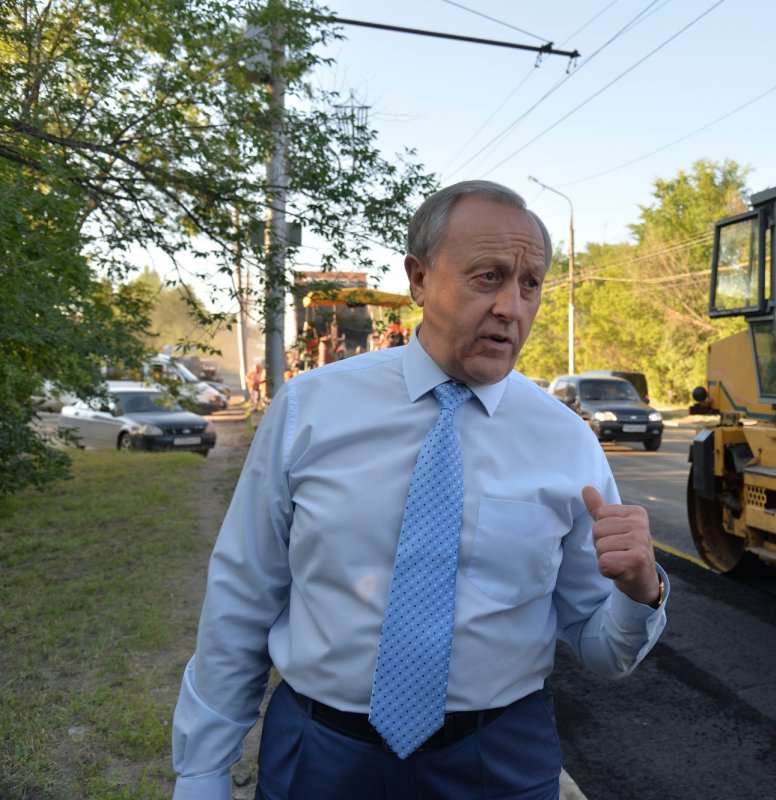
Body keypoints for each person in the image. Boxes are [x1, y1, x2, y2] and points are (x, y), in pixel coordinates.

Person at [170, 180, 668, 800]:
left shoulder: (567, 442)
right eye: (488, 277)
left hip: (499, 762)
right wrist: (202, 771)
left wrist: (640, 591)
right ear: (419, 278)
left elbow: (603, 652)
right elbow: (242, 596)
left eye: (531, 283)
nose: (512, 307)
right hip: (322, 757)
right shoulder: (310, 410)